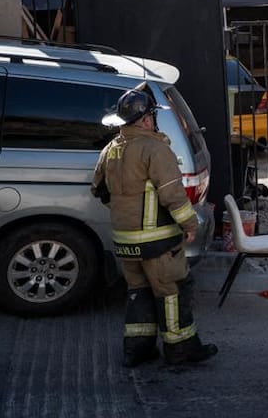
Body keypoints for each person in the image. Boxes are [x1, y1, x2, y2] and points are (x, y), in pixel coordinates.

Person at [91, 83, 218, 368]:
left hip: (124, 242)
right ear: (147, 119)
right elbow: (173, 195)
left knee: (138, 291)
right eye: (152, 116)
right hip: (157, 241)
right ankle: (180, 349)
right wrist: (189, 224)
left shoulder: (111, 150)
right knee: (171, 290)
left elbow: (98, 190)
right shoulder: (155, 149)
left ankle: (136, 350)